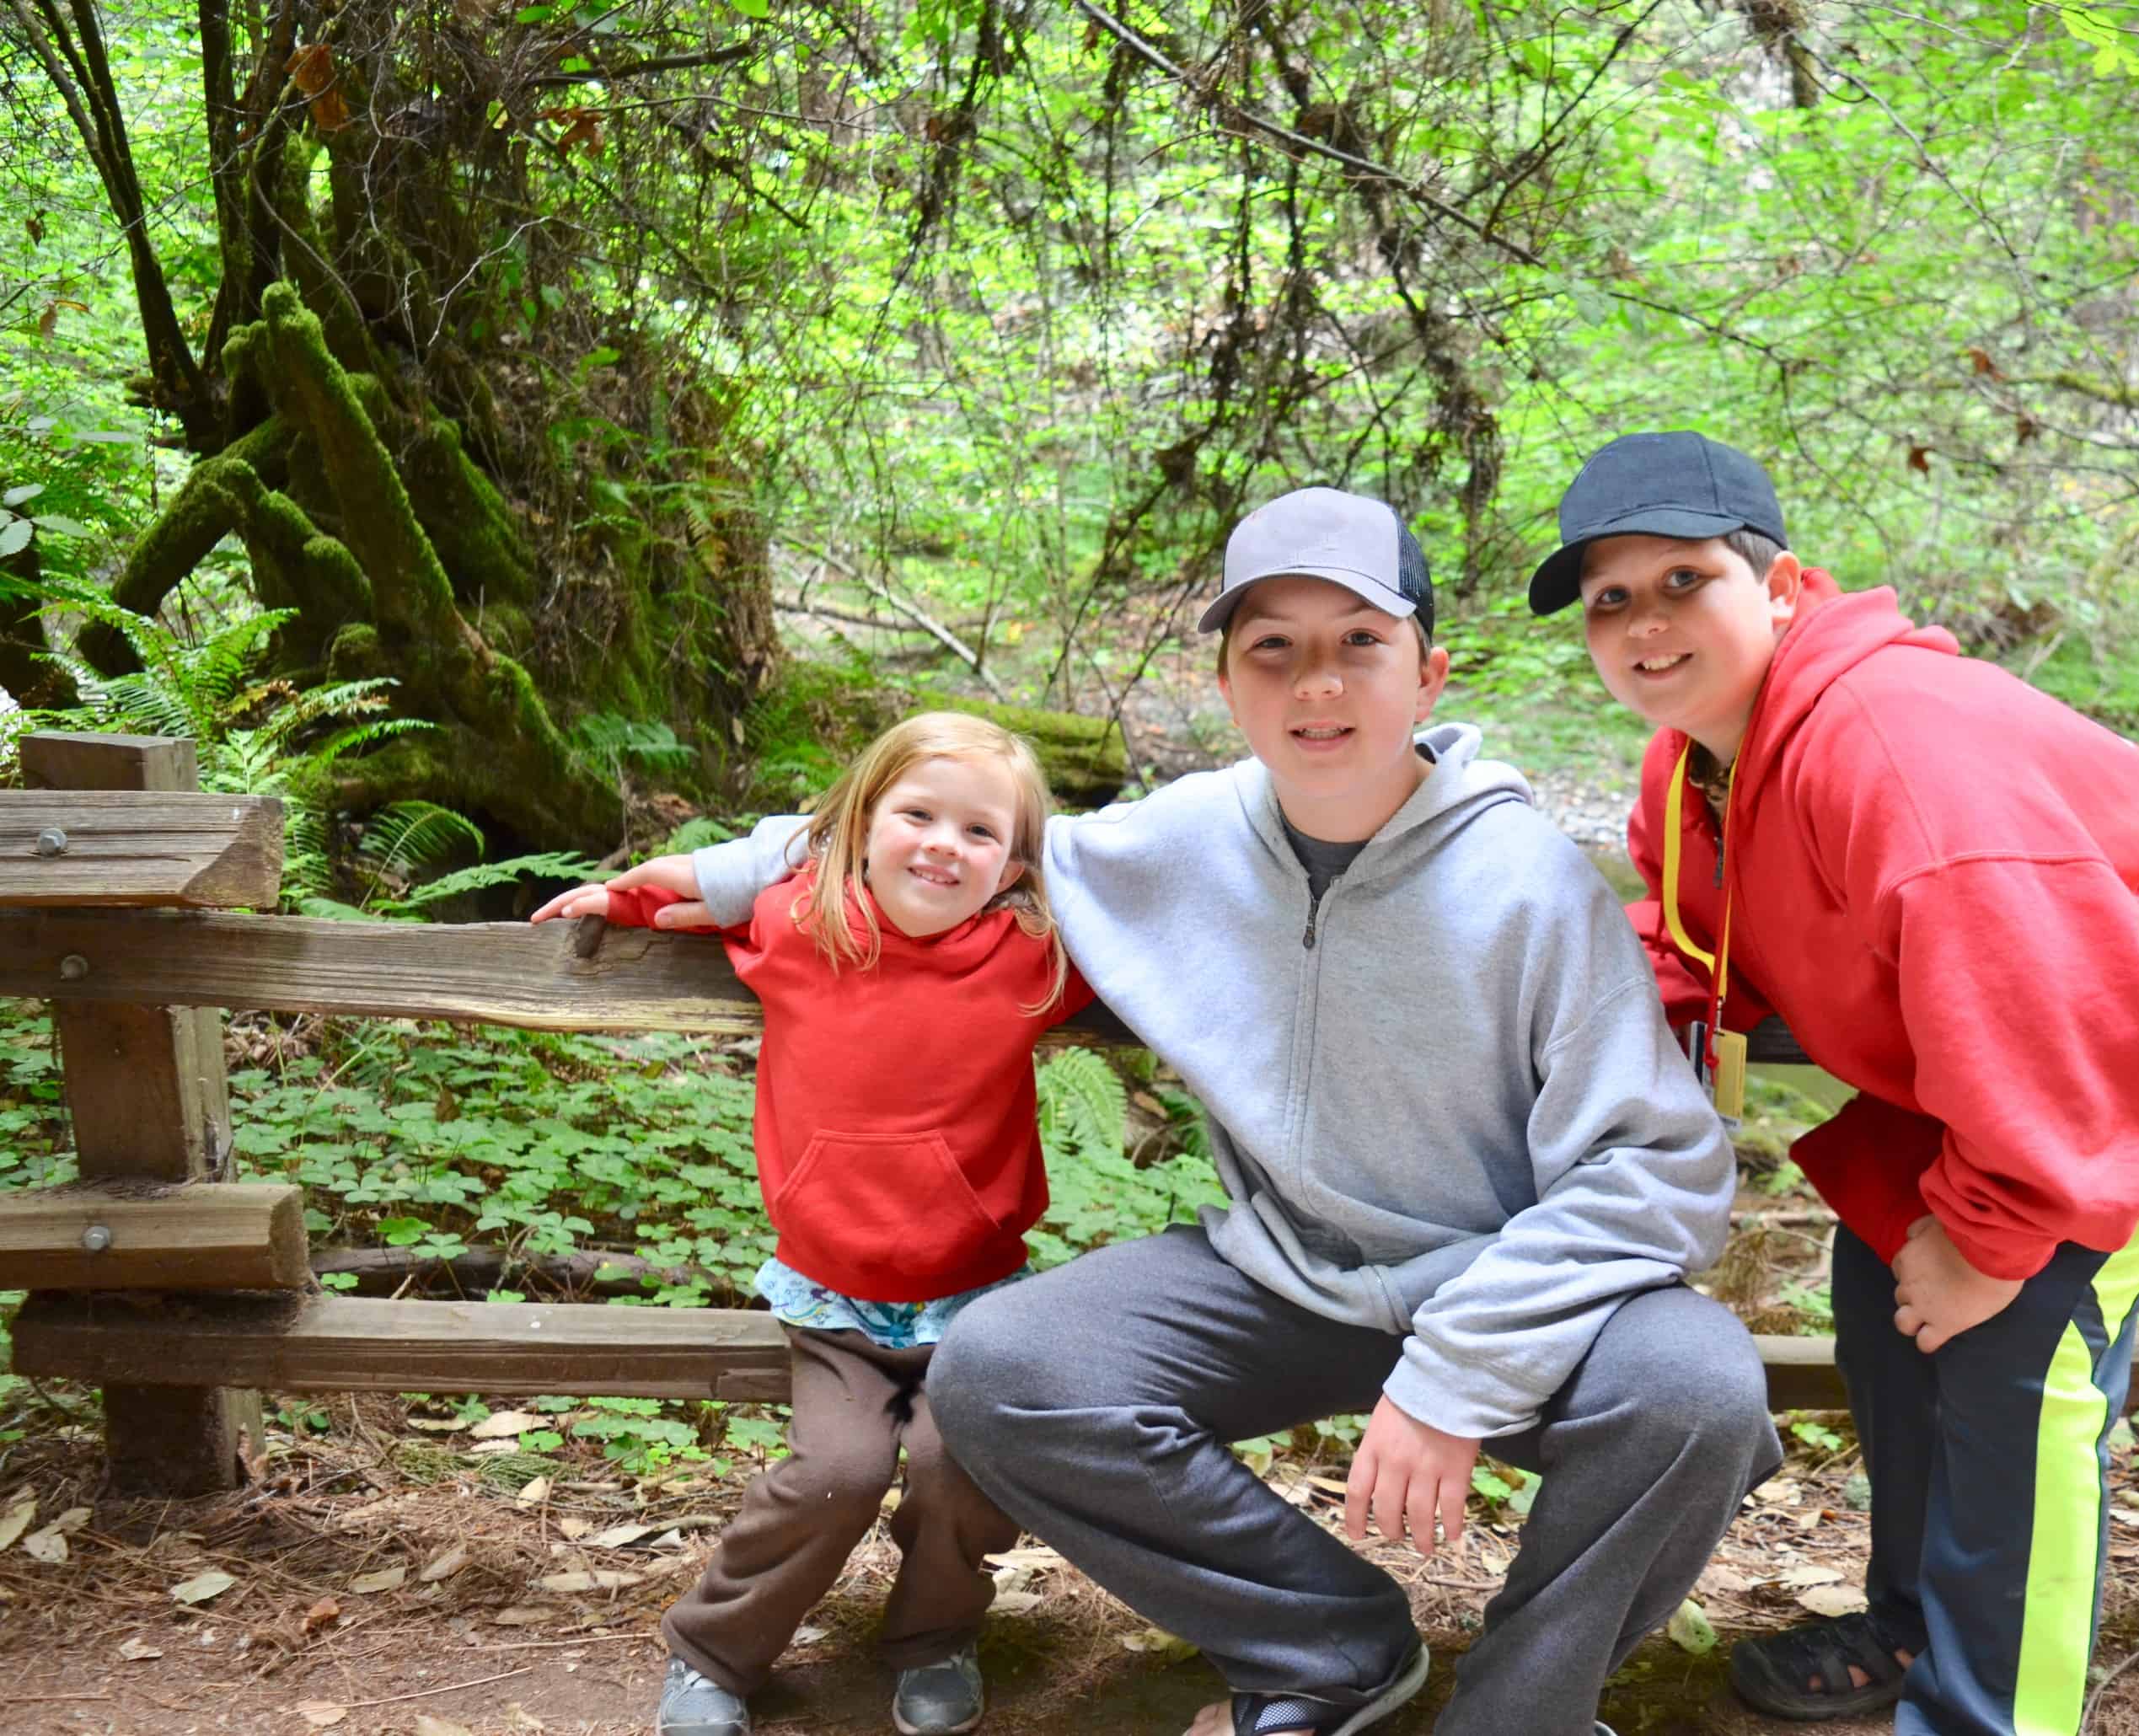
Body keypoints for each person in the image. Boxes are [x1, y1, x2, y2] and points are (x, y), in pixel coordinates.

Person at [655, 487, 1778, 1736]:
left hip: (1504, 1287)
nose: (1319, 685)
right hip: (1287, 1278)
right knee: (1004, 1371)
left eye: (1361, 641)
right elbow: (947, 833)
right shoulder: (1176, 840)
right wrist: (721, 873)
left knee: (1701, 1385)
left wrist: (1456, 1377)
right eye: (1273, 649)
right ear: (1232, 686)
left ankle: (1520, 1710)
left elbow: (1657, 1169)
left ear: (1429, 672)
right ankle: (1330, 1649)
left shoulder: (1529, 885)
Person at [1523, 431, 2139, 1736]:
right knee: (1886, 1303)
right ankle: (1916, 1628)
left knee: (2020, 1355)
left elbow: (2046, 991)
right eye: (1610, 600)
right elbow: (1700, 933)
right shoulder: (1694, 760)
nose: (1643, 623)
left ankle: (1996, 1713)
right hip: (1990, 1057)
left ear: (1783, 587)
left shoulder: (1895, 751)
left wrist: (2002, 1234)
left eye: (1682, 581)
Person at [532, 712, 1094, 1736]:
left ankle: (934, 1636)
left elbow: (1161, 937)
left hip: (974, 1297)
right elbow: (696, 896)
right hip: (833, 1290)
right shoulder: (802, 922)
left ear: (1014, 864)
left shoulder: (1033, 956)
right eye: (915, 813)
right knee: (836, 1473)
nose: (940, 844)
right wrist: (618, 896)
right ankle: (712, 1652)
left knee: (958, 1463)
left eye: (978, 832)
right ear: (859, 824)